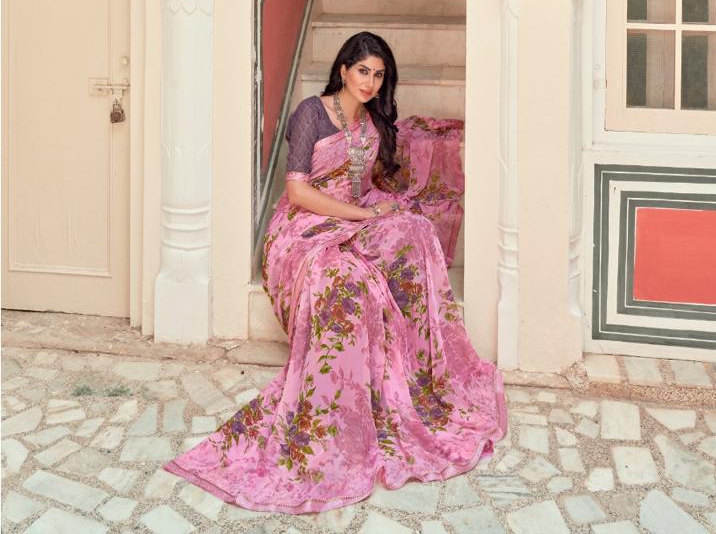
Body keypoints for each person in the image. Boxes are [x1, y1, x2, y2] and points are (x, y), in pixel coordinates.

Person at [163, 31, 507, 513]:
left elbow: (366, 180)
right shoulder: (312, 112)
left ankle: (419, 375)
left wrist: (383, 206)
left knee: (415, 232)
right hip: (302, 229)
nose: (370, 82)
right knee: (349, 283)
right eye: (363, 71)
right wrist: (364, 215)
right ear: (343, 69)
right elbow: (299, 192)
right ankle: (340, 413)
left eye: (379, 75)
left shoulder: (372, 118)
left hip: (350, 216)